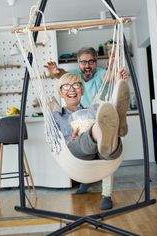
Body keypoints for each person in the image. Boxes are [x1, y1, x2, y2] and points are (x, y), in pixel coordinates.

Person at [45, 47, 129, 210]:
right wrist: (72, 138)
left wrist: (117, 77)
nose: (87, 65)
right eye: (83, 62)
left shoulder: (94, 106)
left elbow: (109, 76)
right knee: (96, 128)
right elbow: (63, 76)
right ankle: (108, 129)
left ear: (81, 90)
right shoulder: (58, 116)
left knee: (103, 122)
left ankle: (116, 124)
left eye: (76, 86)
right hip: (76, 149)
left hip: (104, 146)